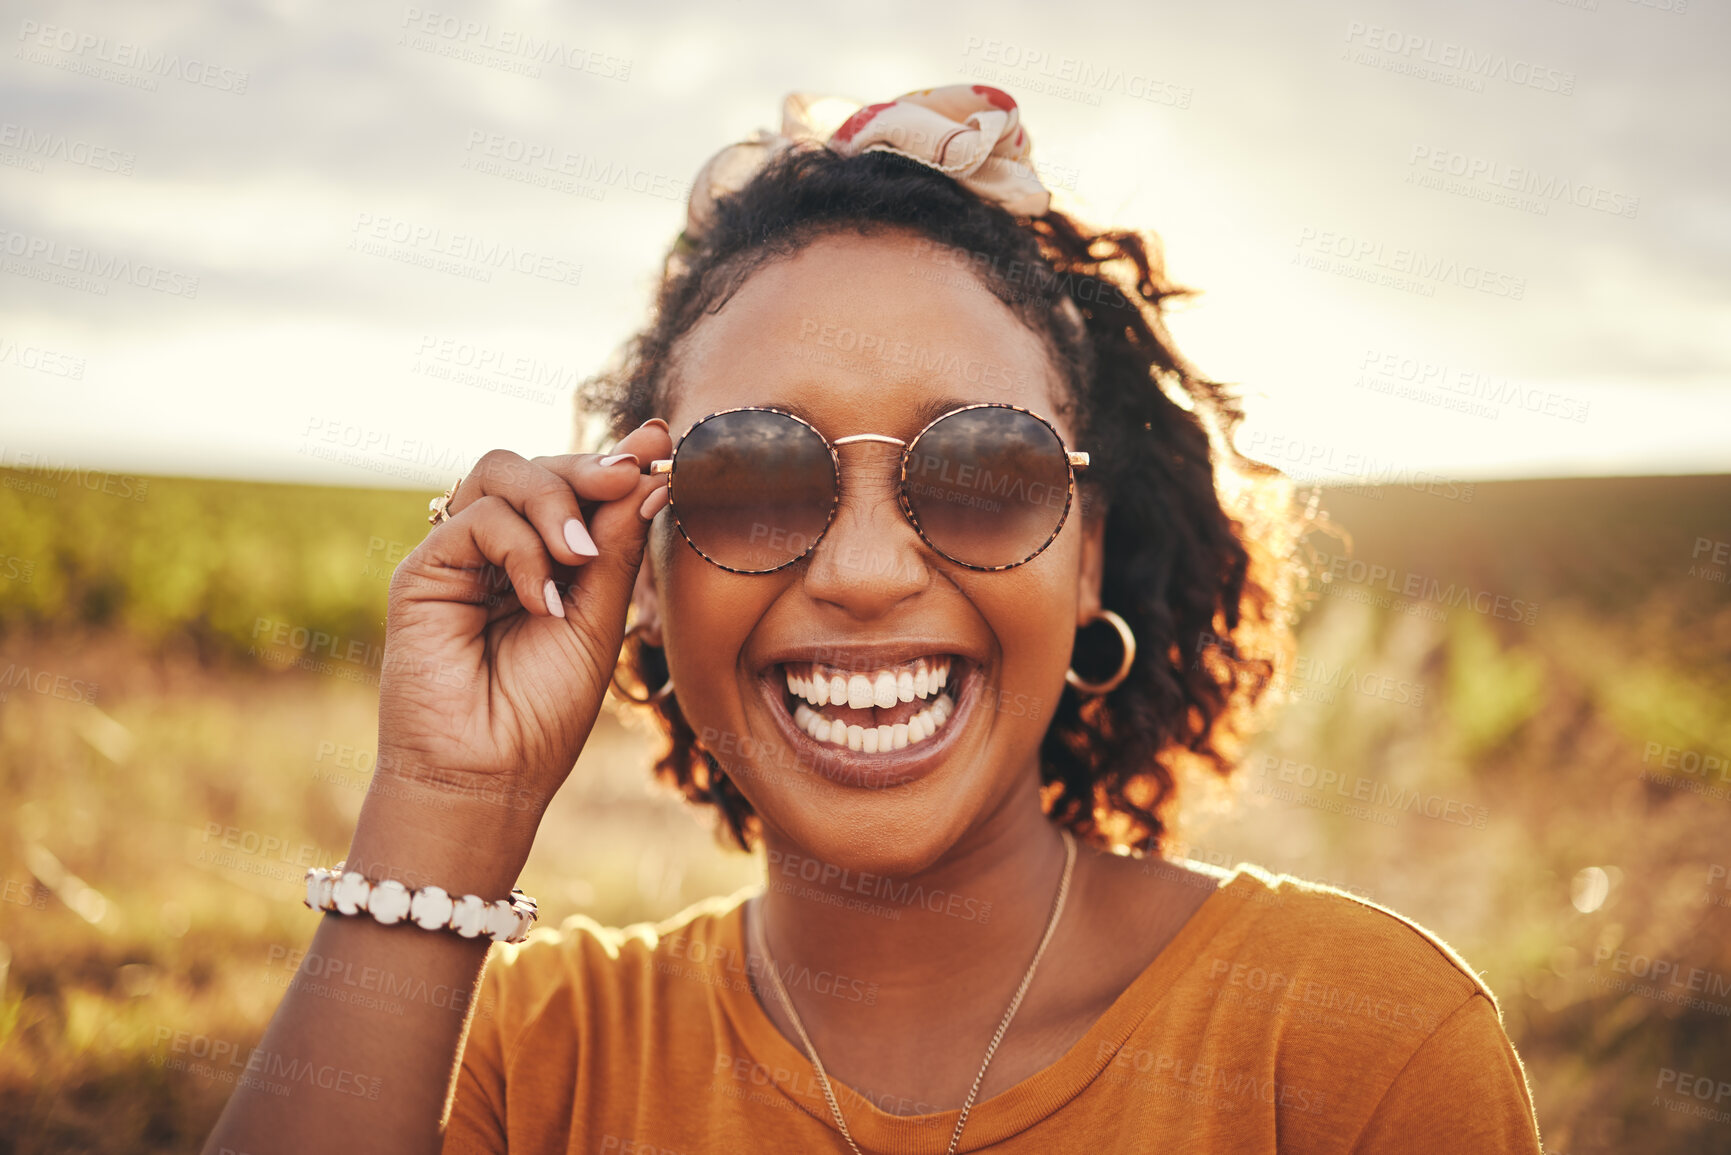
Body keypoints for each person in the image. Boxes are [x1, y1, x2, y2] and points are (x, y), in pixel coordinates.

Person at [204, 84, 1544, 1154]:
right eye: (746, 472)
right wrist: (449, 798)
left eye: (977, 468)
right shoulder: (531, 1058)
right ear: (645, 580)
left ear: (1090, 564)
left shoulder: (1359, 1045)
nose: (859, 570)